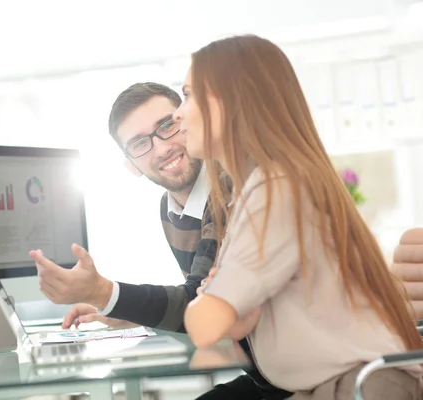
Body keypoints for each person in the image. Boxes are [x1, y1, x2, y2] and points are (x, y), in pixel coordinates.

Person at [178, 34, 423, 399]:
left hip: (361, 388)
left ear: (229, 102)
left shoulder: (276, 190)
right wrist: (234, 311)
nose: (178, 113)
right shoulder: (266, 186)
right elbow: (232, 319)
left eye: (189, 95)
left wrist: (210, 304)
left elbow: (205, 326)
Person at [30, 82, 290, 399]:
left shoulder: (232, 185)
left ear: (187, 120)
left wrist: (105, 292)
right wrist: (124, 310)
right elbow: (203, 298)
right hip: (269, 378)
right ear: (131, 165)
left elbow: (198, 301)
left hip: (300, 379)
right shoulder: (171, 210)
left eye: (166, 126)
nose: (162, 148)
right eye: (140, 143)